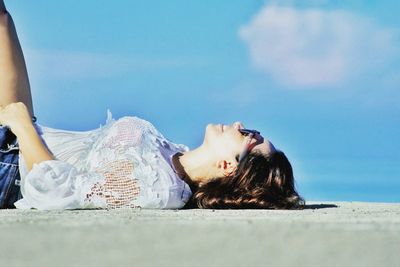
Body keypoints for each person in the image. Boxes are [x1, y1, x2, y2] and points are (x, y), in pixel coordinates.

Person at [0, 2, 304, 210]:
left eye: (249, 136)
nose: (240, 125)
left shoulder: (158, 188)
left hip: (12, 163)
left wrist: (23, 125)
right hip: (18, 133)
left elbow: (58, 190)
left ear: (227, 165)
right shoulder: (172, 154)